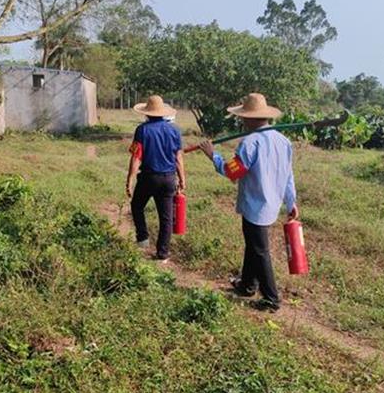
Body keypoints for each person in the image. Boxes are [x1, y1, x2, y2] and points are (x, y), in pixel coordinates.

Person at [198, 93, 297, 311]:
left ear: (250, 118)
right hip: (272, 203)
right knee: (253, 245)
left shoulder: (250, 143)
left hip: (256, 206)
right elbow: (289, 175)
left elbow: (232, 172)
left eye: (243, 117)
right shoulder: (283, 141)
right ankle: (247, 285)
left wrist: (213, 155)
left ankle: (272, 298)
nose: (241, 120)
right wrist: (291, 202)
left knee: (260, 250)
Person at [126, 95, 187, 262]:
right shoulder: (174, 130)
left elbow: (136, 157)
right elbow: (178, 158)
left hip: (148, 178)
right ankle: (163, 254)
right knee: (166, 218)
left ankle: (143, 238)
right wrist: (182, 179)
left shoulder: (142, 130)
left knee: (137, 206)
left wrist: (130, 179)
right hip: (168, 179)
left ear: (147, 113)